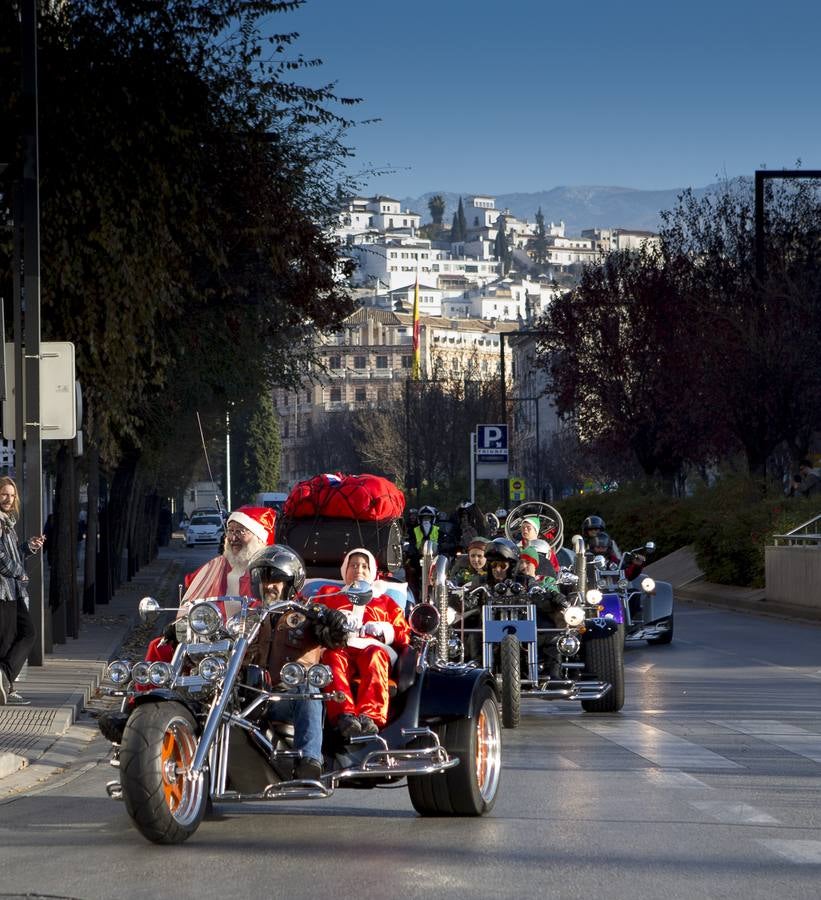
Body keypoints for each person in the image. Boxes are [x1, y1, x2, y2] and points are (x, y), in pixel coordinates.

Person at [248, 545, 348, 781]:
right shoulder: (248, 616)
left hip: (288, 699)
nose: (268, 585)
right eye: (263, 578)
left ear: (290, 583)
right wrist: (185, 630)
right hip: (251, 697)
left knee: (307, 689)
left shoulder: (309, 613)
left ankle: (310, 760)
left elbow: (337, 639)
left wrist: (335, 621)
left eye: (276, 578)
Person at [315, 547, 410, 739]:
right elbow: (313, 615)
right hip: (339, 645)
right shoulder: (328, 594)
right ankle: (344, 715)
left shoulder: (386, 601)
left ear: (372, 572)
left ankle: (370, 716)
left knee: (375, 656)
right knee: (332, 658)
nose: (359, 570)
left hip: (373, 647)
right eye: (354, 565)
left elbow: (404, 635)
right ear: (345, 570)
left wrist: (384, 629)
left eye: (364, 566)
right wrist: (335, 620)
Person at [0, 476, 44, 706]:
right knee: (25, 634)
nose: (8, 499)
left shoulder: (7, 521)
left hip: (11, 591)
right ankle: (5, 678)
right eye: (4, 494)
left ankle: (6, 685)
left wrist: (28, 547)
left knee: (14, 637)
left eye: (12, 495)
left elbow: (10, 552)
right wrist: (19, 572)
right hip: (4, 590)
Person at [181, 505, 277, 602]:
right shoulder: (217, 564)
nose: (233, 538)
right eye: (231, 531)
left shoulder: (273, 568)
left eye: (239, 532)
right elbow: (190, 585)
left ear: (259, 538)